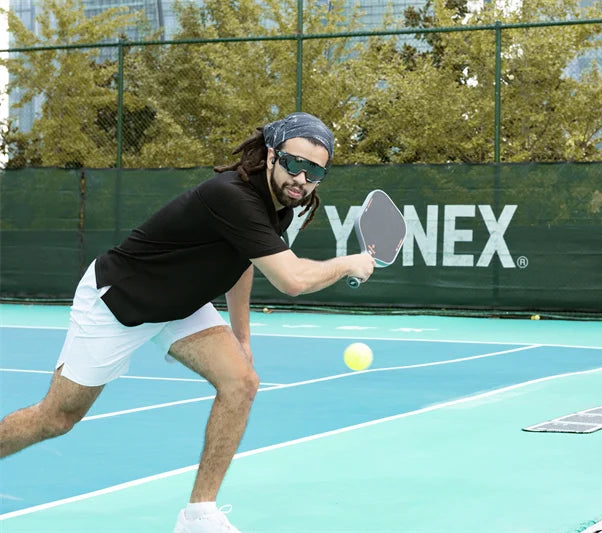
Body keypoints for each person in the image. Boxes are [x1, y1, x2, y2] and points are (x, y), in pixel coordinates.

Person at [0, 112, 375, 533]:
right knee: (57, 418)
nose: (301, 179)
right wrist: (349, 263)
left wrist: (241, 336)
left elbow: (245, 260)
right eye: (294, 163)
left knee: (242, 383)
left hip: (181, 306)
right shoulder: (232, 195)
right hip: (122, 299)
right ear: (271, 154)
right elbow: (291, 280)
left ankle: (199, 515)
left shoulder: (280, 209)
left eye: (315, 171)